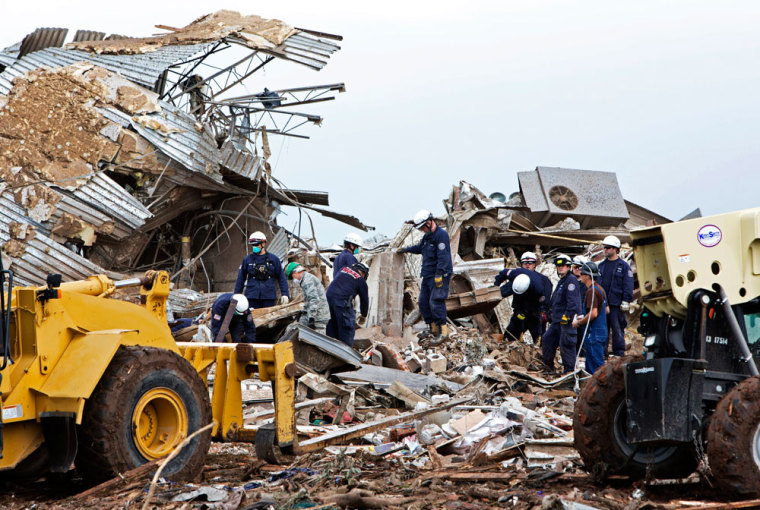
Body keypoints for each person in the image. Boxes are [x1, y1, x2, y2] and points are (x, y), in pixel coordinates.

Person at [397, 209, 453, 343]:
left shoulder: (441, 235)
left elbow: (443, 257)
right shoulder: (427, 237)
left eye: (422, 227)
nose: (422, 230)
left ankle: (443, 332)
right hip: (428, 276)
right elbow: (420, 248)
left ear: (429, 222)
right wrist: (405, 249)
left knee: (436, 301)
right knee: (423, 303)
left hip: (439, 275)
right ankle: (433, 328)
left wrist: (440, 274)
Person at [542, 254, 582, 374]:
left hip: (566, 322)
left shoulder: (571, 281)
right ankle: (549, 367)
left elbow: (573, 303)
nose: (560, 267)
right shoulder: (561, 281)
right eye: (558, 265)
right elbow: (555, 301)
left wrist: (567, 317)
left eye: (563, 265)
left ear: (569, 266)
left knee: (567, 345)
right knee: (547, 339)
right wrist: (550, 313)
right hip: (556, 321)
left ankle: (569, 372)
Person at [597, 235, 634, 357]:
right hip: (603, 304)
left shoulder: (623, 266)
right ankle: (603, 354)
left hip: (616, 304)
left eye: (607, 247)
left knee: (617, 329)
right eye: (604, 247)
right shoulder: (601, 266)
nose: (605, 250)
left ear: (615, 249)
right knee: (603, 329)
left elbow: (628, 284)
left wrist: (626, 301)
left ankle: (619, 353)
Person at [234, 231, 290, 309]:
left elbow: (281, 277)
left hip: (268, 297)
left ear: (263, 243)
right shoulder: (247, 260)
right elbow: (240, 279)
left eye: (256, 244)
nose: (254, 247)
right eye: (253, 245)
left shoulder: (274, 259)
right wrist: (236, 295)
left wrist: (285, 294)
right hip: (251, 297)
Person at [494, 266, 550, 343]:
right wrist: (495, 285)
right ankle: (509, 340)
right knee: (512, 331)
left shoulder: (539, 288)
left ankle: (541, 347)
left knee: (538, 333)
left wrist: (542, 313)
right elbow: (502, 273)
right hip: (520, 307)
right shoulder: (514, 274)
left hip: (535, 309)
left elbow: (543, 303)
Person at [573, 262, 608, 374]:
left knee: (597, 369)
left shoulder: (591, 291)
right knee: (592, 366)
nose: (580, 275)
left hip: (594, 334)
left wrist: (578, 323)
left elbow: (594, 314)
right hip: (602, 332)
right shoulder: (600, 289)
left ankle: (601, 390)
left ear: (588, 276)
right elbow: (607, 310)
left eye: (582, 273)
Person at [325, 262, 369, 347]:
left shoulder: (343, 269)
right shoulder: (360, 280)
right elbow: (365, 301)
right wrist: (363, 315)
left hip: (328, 300)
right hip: (342, 303)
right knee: (346, 331)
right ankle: (345, 355)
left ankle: (330, 350)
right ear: (364, 273)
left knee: (332, 328)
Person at [286, 262, 330, 335]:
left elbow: (314, 299)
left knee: (318, 338)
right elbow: (309, 300)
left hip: (319, 315)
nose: (294, 279)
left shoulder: (307, 281)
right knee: (295, 328)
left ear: (295, 272)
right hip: (314, 313)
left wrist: (311, 318)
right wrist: (303, 311)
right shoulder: (305, 279)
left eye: (292, 276)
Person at [518, 251, 552, 336]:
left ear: (534, 265)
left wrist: (544, 312)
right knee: (510, 337)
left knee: (540, 341)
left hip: (537, 315)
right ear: (521, 264)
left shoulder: (543, 280)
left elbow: (546, 298)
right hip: (521, 314)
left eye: (530, 263)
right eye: (525, 263)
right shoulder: (517, 278)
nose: (527, 265)